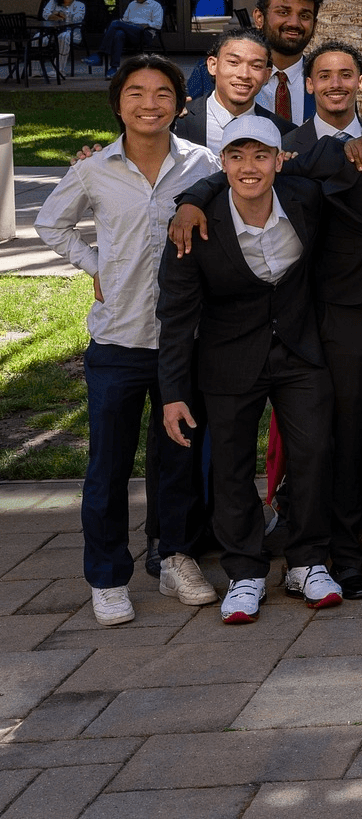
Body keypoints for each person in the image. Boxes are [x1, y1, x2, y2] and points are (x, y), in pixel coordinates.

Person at [177, 81, 362, 595]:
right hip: (344, 316)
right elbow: (256, 171)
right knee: (348, 436)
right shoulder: (338, 157)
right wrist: (192, 198)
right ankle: (345, 554)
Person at [35, 57, 218, 626]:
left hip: (184, 342)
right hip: (118, 340)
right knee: (108, 467)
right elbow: (50, 224)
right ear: (118, 104)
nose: (149, 104)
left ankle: (175, 558)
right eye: (136, 93)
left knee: (179, 462)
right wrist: (99, 267)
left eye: (163, 93)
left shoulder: (203, 164)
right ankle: (108, 577)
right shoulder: (95, 170)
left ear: (180, 105)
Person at [155, 114, 340, 622]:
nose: (249, 167)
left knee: (314, 452)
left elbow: (339, 160)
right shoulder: (194, 225)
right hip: (229, 357)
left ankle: (307, 561)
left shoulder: (305, 198)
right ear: (223, 163)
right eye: (236, 156)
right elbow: (175, 314)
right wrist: (173, 393)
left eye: (261, 155)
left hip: (299, 351)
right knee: (231, 466)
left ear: (280, 161)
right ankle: (245, 571)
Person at [188, 0, 324, 127]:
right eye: (283, 12)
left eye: (304, 16)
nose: (294, 23)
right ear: (259, 18)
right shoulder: (210, 73)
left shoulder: (326, 80)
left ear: (314, 24)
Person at [172, 28, 285, 154]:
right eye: (234, 62)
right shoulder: (176, 120)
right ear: (213, 65)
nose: (244, 74)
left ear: (267, 75)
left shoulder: (283, 131)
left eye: (256, 66)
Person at [283, 41, 362, 152]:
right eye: (324, 76)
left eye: (346, 75)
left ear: (360, 82)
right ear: (310, 84)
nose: (335, 84)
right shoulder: (285, 147)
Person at [101, 0, 166, 68]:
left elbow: (158, 25)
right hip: (129, 32)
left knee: (115, 23)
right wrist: (127, 25)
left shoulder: (155, 5)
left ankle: (100, 54)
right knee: (119, 34)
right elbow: (125, 19)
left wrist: (145, 25)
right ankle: (113, 67)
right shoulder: (132, 4)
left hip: (145, 33)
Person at [42, 0, 85, 72]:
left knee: (63, 37)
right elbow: (45, 14)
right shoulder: (54, 1)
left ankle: (59, 70)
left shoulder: (80, 5)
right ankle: (36, 71)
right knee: (37, 37)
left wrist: (58, 15)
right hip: (52, 33)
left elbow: (77, 19)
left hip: (72, 33)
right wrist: (58, 15)